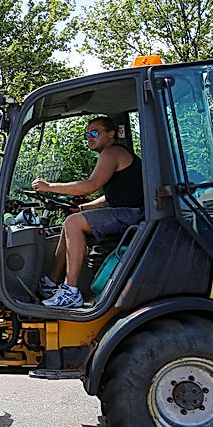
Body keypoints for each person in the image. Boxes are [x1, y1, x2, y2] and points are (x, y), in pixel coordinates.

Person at [31, 116, 144, 309]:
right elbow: (111, 198)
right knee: (71, 221)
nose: (89, 138)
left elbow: (90, 186)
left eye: (95, 133)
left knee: (73, 223)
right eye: (87, 134)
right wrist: (82, 208)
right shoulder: (117, 154)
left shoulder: (112, 152)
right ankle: (50, 282)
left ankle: (71, 290)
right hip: (129, 212)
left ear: (111, 134)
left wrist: (49, 186)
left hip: (133, 214)